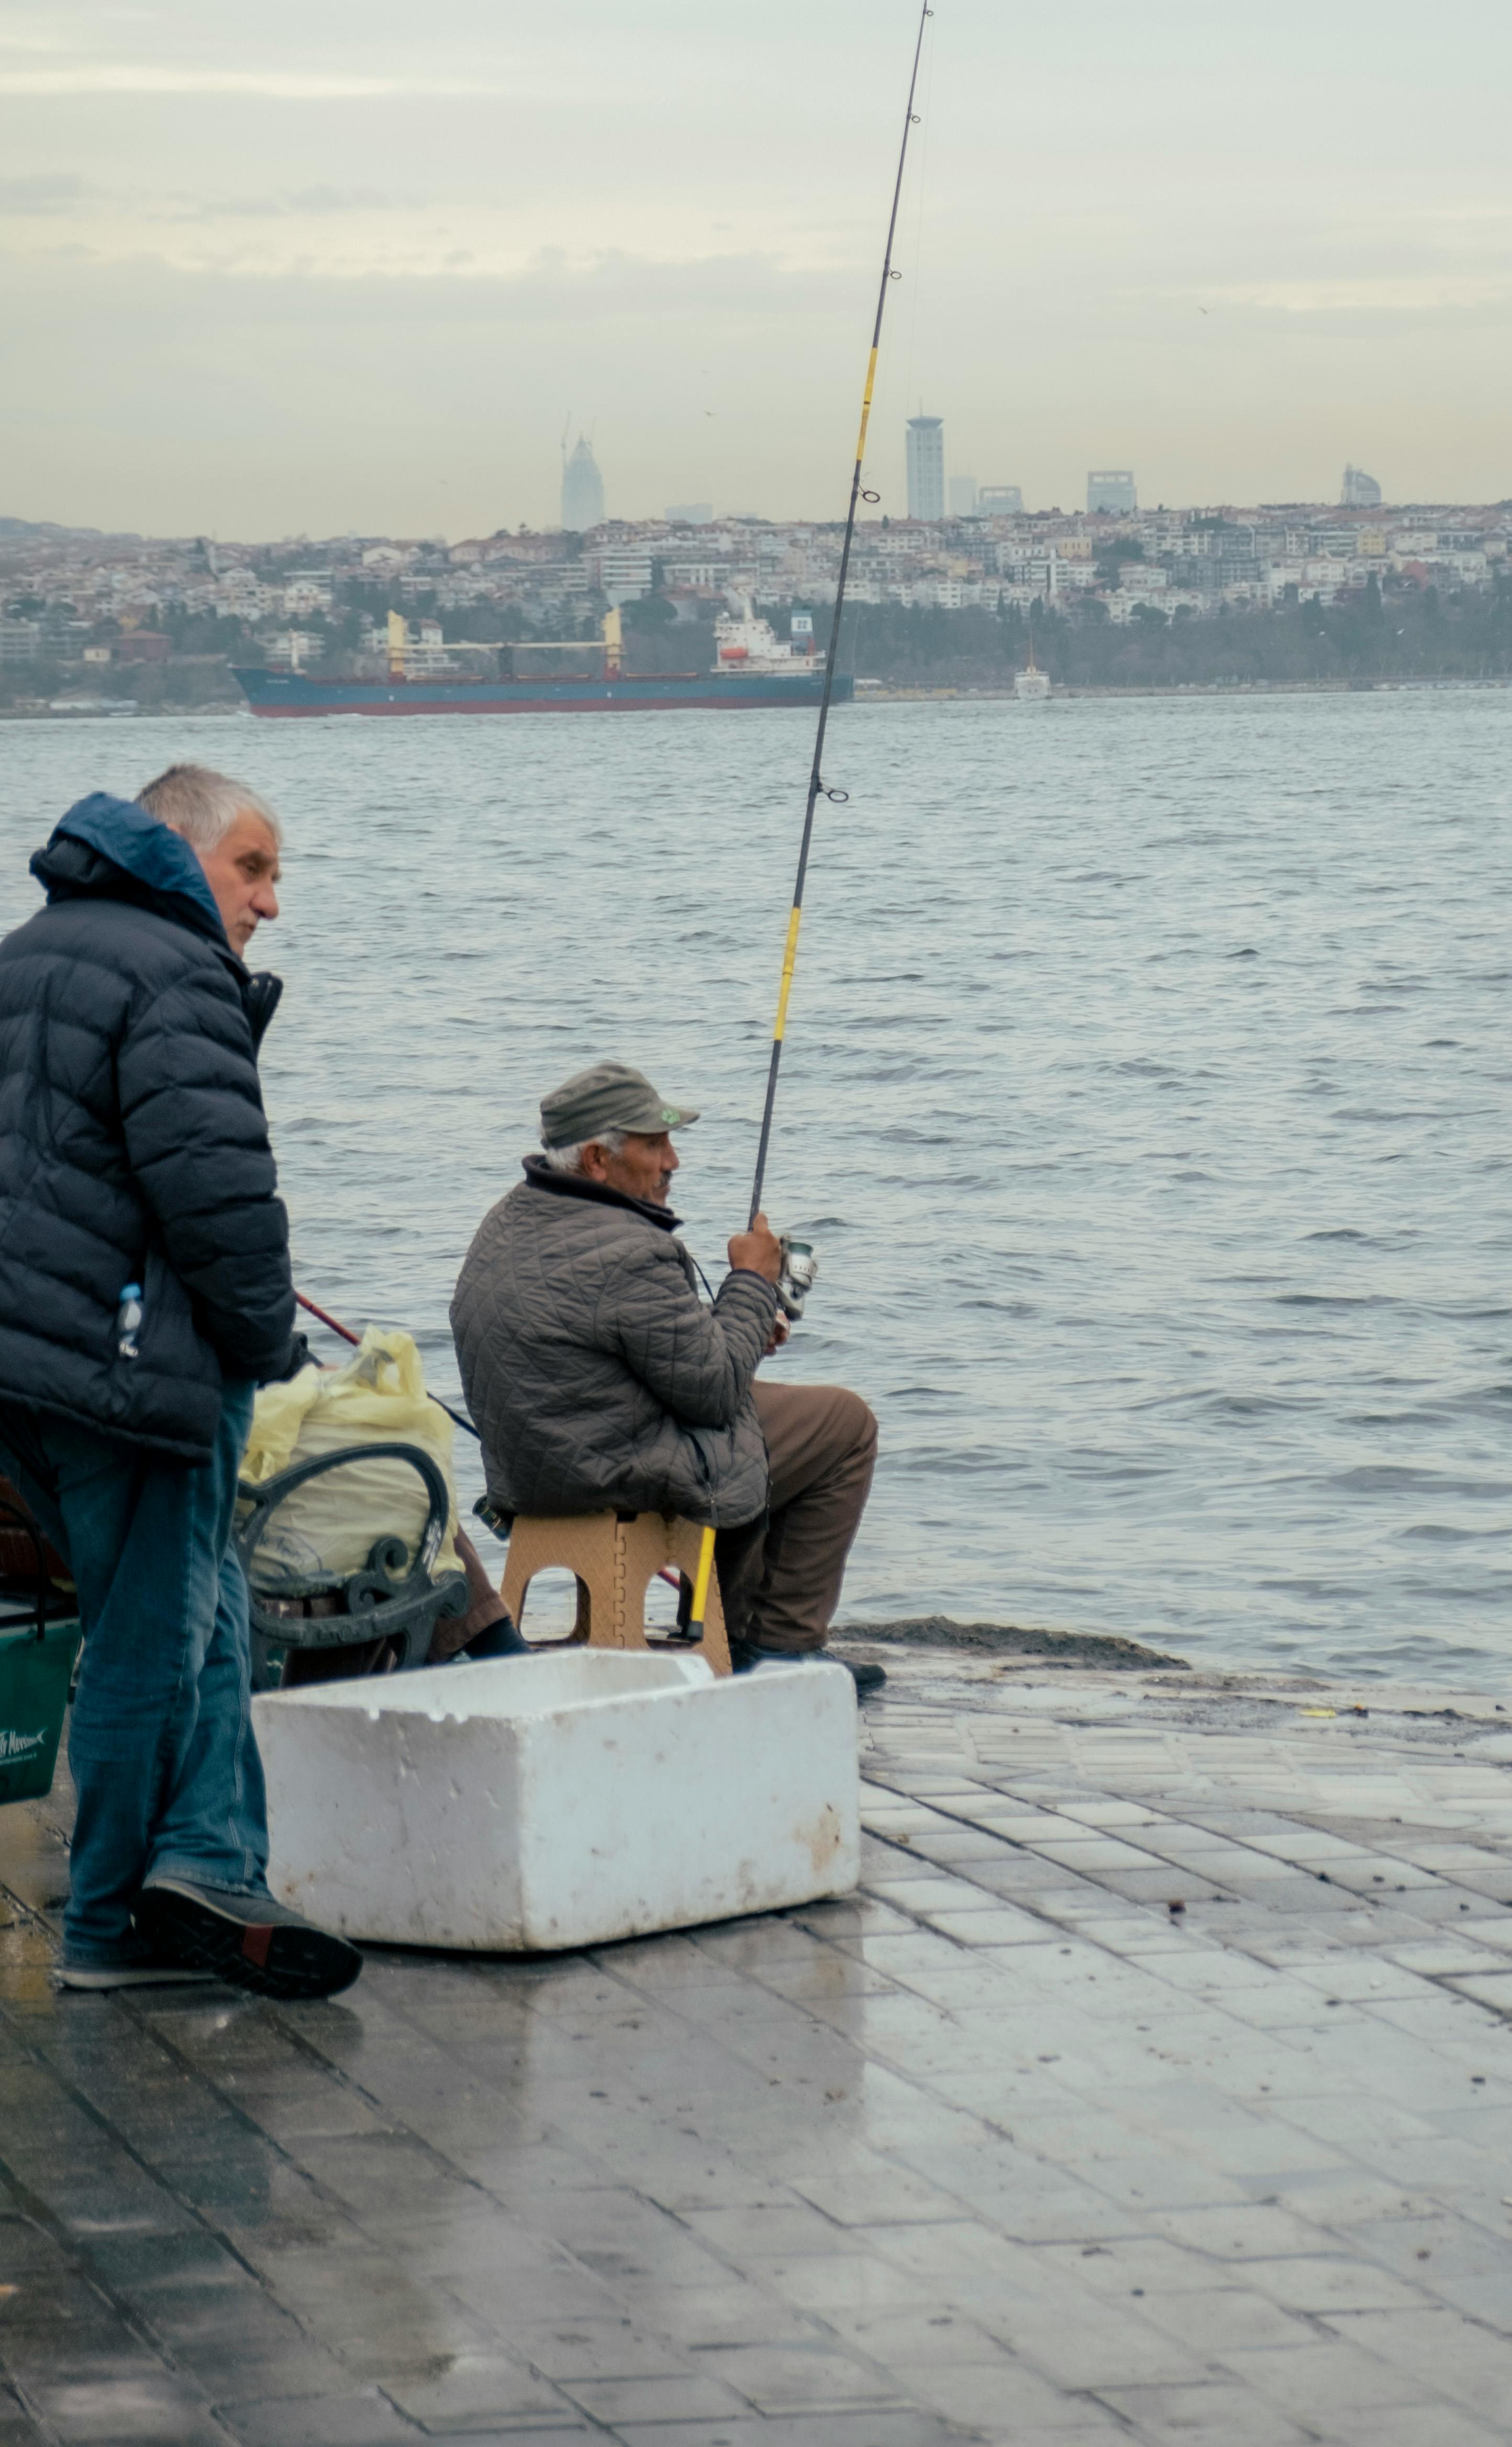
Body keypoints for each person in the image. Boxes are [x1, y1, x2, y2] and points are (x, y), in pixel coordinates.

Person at [0, 766, 363, 1994]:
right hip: (133, 1375)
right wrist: (267, 1341)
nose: (269, 902)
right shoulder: (175, 969)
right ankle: (109, 1928)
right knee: (155, 1642)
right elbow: (218, 1195)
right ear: (175, 849)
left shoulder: (27, 951)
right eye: (253, 868)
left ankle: (205, 1861)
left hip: (27, 1372)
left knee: (204, 1616)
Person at [451, 1061, 882, 1693]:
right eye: (655, 1145)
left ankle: (736, 1629)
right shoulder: (632, 1250)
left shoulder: (509, 1220)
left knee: (765, 1418)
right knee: (843, 1425)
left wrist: (742, 1322)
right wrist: (752, 1282)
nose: (673, 1161)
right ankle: (779, 1646)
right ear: (597, 1161)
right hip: (616, 1466)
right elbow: (711, 1393)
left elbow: (633, 1345)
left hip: (535, 1465)